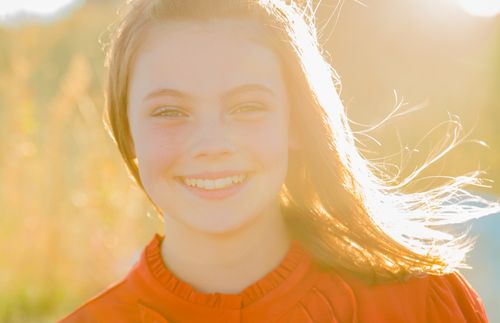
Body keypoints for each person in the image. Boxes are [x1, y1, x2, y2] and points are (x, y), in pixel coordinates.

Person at [59, 0, 499, 322]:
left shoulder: (420, 305)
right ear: (128, 130)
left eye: (247, 106)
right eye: (169, 112)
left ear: (294, 123)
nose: (211, 143)